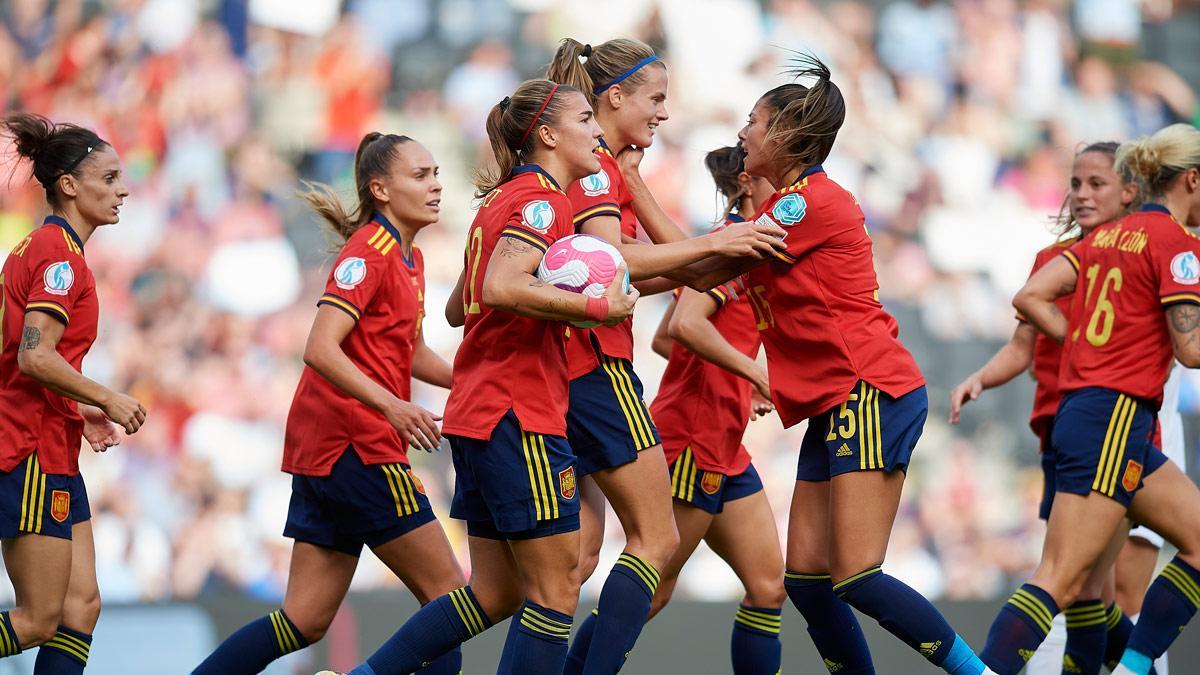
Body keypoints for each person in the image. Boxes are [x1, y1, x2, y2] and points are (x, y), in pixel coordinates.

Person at [694, 54, 993, 675]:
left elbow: (703, 269)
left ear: (785, 136)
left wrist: (629, 207)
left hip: (869, 388)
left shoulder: (806, 205)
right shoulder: (785, 208)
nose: (742, 133)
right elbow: (699, 270)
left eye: (753, 120)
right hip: (836, 401)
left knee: (854, 574)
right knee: (804, 579)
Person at [331, 78, 637, 675]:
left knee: (494, 593)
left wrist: (550, 288)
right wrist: (595, 305)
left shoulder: (501, 202)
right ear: (548, 135)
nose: (598, 130)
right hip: (518, 416)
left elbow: (460, 306)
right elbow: (500, 286)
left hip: (481, 416)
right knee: (555, 590)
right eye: (584, 119)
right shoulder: (542, 203)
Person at [544, 37, 788, 674]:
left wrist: (707, 259)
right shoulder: (598, 167)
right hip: (636, 393)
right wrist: (755, 366)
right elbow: (652, 291)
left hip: (715, 430)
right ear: (614, 97)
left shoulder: (611, 170)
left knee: (762, 584)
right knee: (647, 556)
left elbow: (639, 282)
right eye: (656, 99)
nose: (664, 113)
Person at [191, 132, 464, 674]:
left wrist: (478, 382)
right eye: (420, 175)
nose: (435, 184)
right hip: (356, 447)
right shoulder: (370, 250)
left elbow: (409, 351)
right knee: (453, 605)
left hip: (331, 452)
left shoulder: (410, 258)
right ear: (380, 189)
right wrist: (392, 407)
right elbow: (320, 346)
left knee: (304, 619)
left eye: (436, 172)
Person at [1000, 123, 1200, 675]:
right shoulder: (1176, 245)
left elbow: (1031, 296)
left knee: (1101, 584)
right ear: (1192, 179)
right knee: (1065, 580)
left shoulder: (1103, 240)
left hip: (1099, 417)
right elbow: (1190, 350)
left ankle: (1133, 669)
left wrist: (1082, 338)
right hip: (1114, 414)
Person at [949, 141, 1145, 675]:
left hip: (1111, 425)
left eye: (1095, 184)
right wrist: (979, 379)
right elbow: (1022, 347)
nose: (1081, 194)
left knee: (1082, 584)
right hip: (1073, 430)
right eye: (1076, 184)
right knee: (1083, 587)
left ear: (1130, 192)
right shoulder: (1052, 262)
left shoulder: (1141, 256)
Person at [0, 112, 147, 673]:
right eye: (108, 178)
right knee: (39, 618)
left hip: (51, 439)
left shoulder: (43, 248)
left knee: (81, 606)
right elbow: (34, 354)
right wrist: (106, 397)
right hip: (28, 447)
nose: (123, 189)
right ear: (69, 185)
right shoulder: (58, 257)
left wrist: (76, 405)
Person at [645, 144, 786, 675]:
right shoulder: (733, 248)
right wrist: (752, 374)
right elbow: (683, 328)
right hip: (692, 437)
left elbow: (666, 338)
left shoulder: (747, 245)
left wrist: (735, 381)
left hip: (725, 441)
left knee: (769, 586)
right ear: (748, 184)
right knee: (653, 589)